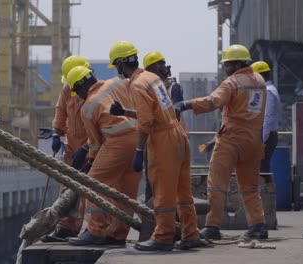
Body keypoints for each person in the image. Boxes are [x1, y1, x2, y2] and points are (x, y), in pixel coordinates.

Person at [109, 40, 206, 251]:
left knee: (162, 191)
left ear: (120, 64)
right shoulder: (152, 78)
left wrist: (138, 151)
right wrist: (125, 112)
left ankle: (163, 237)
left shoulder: (136, 85)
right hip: (178, 135)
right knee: (183, 192)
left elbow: (146, 122)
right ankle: (190, 234)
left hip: (163, 141)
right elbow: (157, 113)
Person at [175, 44, 269, 240]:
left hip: (231, 139)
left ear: (236, 63)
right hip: (253, 140)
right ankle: (258, 225)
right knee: (250, 186)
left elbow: (212, 102)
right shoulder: (259, 81)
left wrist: (186, 104)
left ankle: (212, 226)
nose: (225, 68)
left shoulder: (232, 82)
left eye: (227, 64)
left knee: (217, 184)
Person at [66, 66, 142, 246]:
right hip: (140, 141)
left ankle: (96, 231)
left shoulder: (89, 105)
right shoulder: (117, 83)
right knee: (125, 190)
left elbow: (95, 142)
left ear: (80, 88)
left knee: (94, 184)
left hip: (118, 143)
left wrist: (90, 160)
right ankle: (117, 235)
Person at [40, 55, 90, 242]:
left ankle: (93, 229)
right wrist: (56, 133)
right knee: (67, 190)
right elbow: (60, 111)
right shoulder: (68, 88)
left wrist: (86, 149)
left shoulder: (93, 92)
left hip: (91, 149)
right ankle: (67, 227)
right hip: (71, 149)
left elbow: (99, 126)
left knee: (92, 193)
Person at [142, 51, 188, 202]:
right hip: (154, 142)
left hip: (170, 140)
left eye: (163, 63)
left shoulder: (172, 87)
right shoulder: (153, 88)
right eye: (160, 64)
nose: (164, 66)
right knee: (151, 182)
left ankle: (169, 220)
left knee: (168, 183)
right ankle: (152, 218)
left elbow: (175, 110)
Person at [251, 61, 282, 173]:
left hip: (266, 136)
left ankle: (266, 190)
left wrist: (261, 141)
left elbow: (267, 118)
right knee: (262, 168)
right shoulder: (269, 90)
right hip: (267, 135)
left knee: (262, 169)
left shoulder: (268, 92)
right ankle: (265, 190)